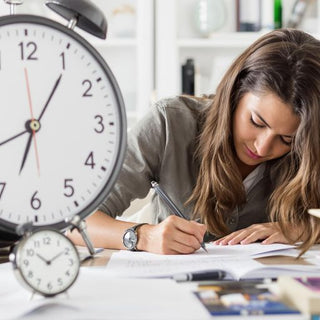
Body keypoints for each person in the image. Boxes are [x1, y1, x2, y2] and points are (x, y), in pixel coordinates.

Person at [69, 29, 320, 255]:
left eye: (287, 139)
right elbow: (74, 222)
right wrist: (143, 236)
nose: (263, 147)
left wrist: (304, 228)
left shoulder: (310, 147)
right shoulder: (170, 123)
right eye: (256, 122)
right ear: (234, 92)